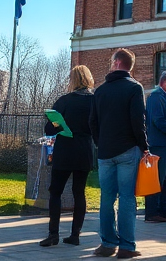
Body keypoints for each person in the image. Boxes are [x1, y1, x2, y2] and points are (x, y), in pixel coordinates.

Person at [90, 48, 147, 259]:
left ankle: (107, 243)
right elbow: (137, 121)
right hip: (127, 150)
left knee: (106, 198)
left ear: (116, 63)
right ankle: (126, 246)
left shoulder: (100, 91)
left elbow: (92, 122)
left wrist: (100, 143)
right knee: (127, 199)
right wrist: (144, 146)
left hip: (105, 151)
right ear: (129, 65)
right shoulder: (134, 88)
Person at [40, 65, 96, 247]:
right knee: (79, 192)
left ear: (72, 80)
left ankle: (53, 234)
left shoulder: (64, 101)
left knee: (55, 191)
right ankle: (75, 235)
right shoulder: (95, 101)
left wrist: (56, 124)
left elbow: (49, 129)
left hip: (65, 149)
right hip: (85, 149)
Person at [144, 71, 166, 223]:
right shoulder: (156, 97)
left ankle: (164, 209)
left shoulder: (165, 97)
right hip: (158, 145)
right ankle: (152, 212)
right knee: (156, 179)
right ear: (164, 82)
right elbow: (158, 120)